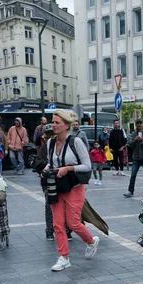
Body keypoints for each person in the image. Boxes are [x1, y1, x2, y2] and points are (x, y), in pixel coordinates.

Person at [43, 110, 99, 271]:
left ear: (66, 126)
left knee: (73, 223)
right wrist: (46, 169)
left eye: (57, 122)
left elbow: (87, 166)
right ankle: (64, 257)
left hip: (74, 187)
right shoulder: (50, 143)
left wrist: (68, 168)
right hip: (56, 187)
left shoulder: (76, 142)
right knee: (58, 224)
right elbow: (51, 162)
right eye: (53, 122)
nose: (53, 125)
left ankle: (91, 241)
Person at [124, 120, 143, 198]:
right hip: (136, 157)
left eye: (140, 123)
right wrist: (135, 140)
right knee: (133, 175)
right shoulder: (133, 134)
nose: (139, 125)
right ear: (136, 125)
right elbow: (129, 144)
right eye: (138, 124)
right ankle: (130, 191)